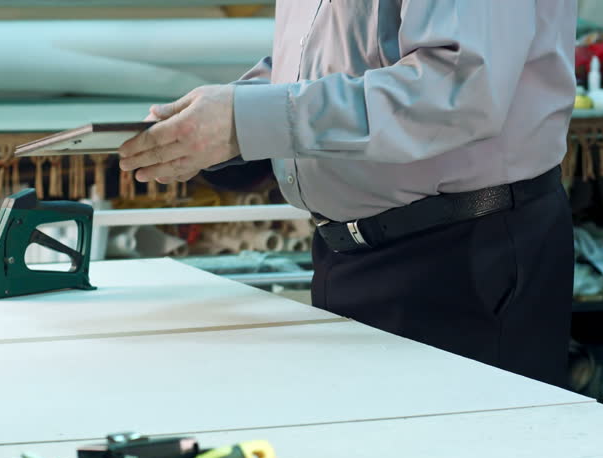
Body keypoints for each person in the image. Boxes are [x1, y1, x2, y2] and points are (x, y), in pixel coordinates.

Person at [118, 1, 577, 387]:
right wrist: (219, 126)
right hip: (349, 257)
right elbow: (317, 67)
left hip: (467, 258)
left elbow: (454, 90)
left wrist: (245, 121)